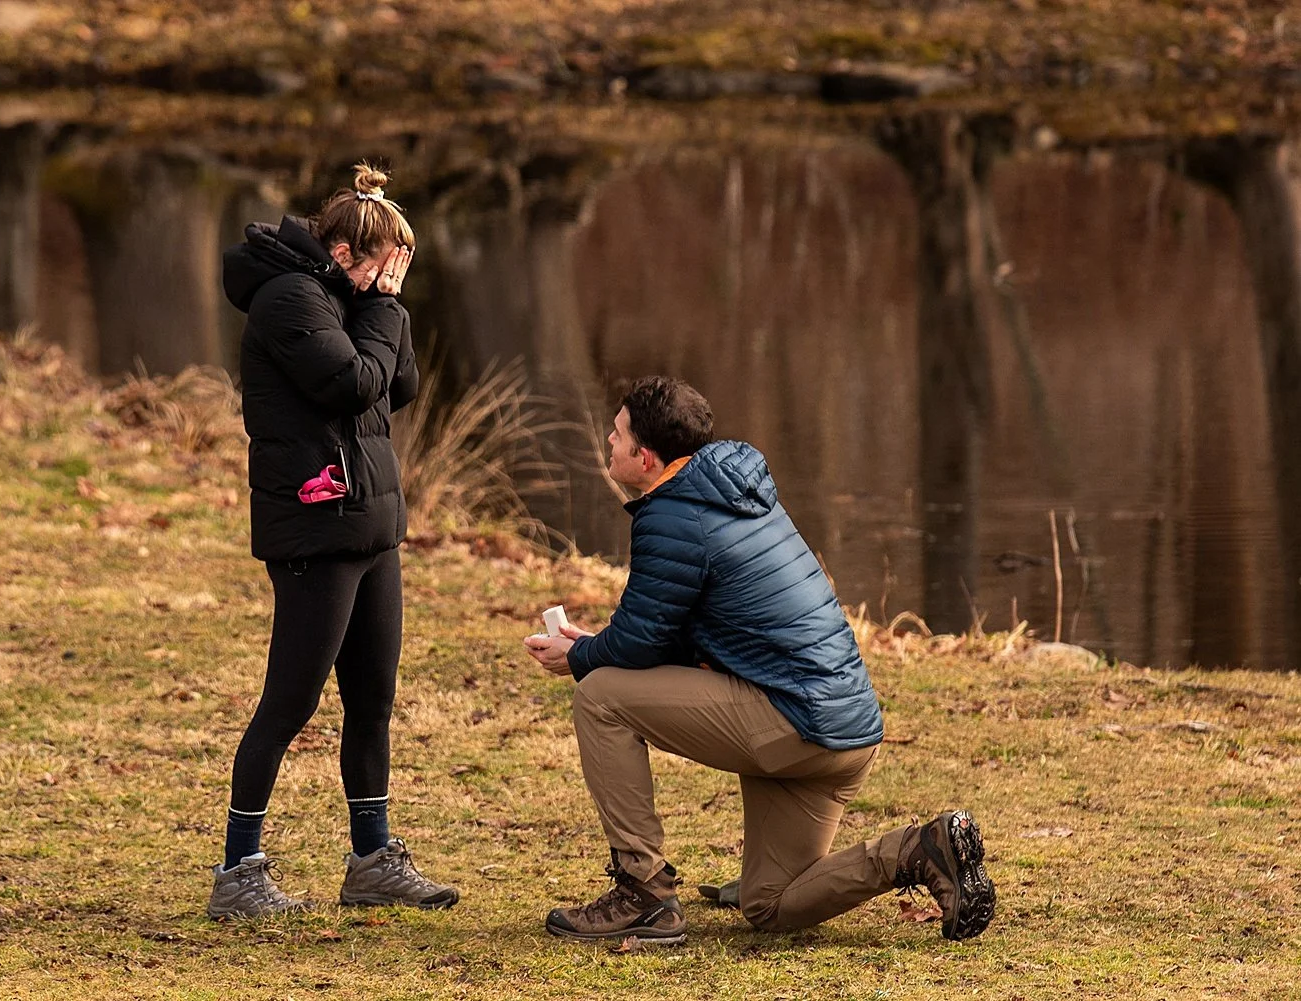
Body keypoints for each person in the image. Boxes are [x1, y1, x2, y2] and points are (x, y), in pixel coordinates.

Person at [525, 376, 995, 945]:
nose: (608, 439)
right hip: (847, 736)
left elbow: (639, 645)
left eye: (618, 433)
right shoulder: (730, 490)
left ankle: (641, 892)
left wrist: (581, 656)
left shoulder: (674, 515)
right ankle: (918, 849)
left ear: (645, 457)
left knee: (599, 697)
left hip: (795, 724)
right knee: (768, 905)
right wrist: (598, 643)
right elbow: (670, 628)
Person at [206, 163, 457, 919]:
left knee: (372, 696)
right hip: (316, 522)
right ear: (347, 251)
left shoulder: (348, 299)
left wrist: (389, 309)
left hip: (370, 520)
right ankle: (237, 871)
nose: (392, 281)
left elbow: (400, 385)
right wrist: (381, 313)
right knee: (290, 700)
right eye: (388, 265)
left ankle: (372, 858)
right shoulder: (289, 300)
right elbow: (350, 385)